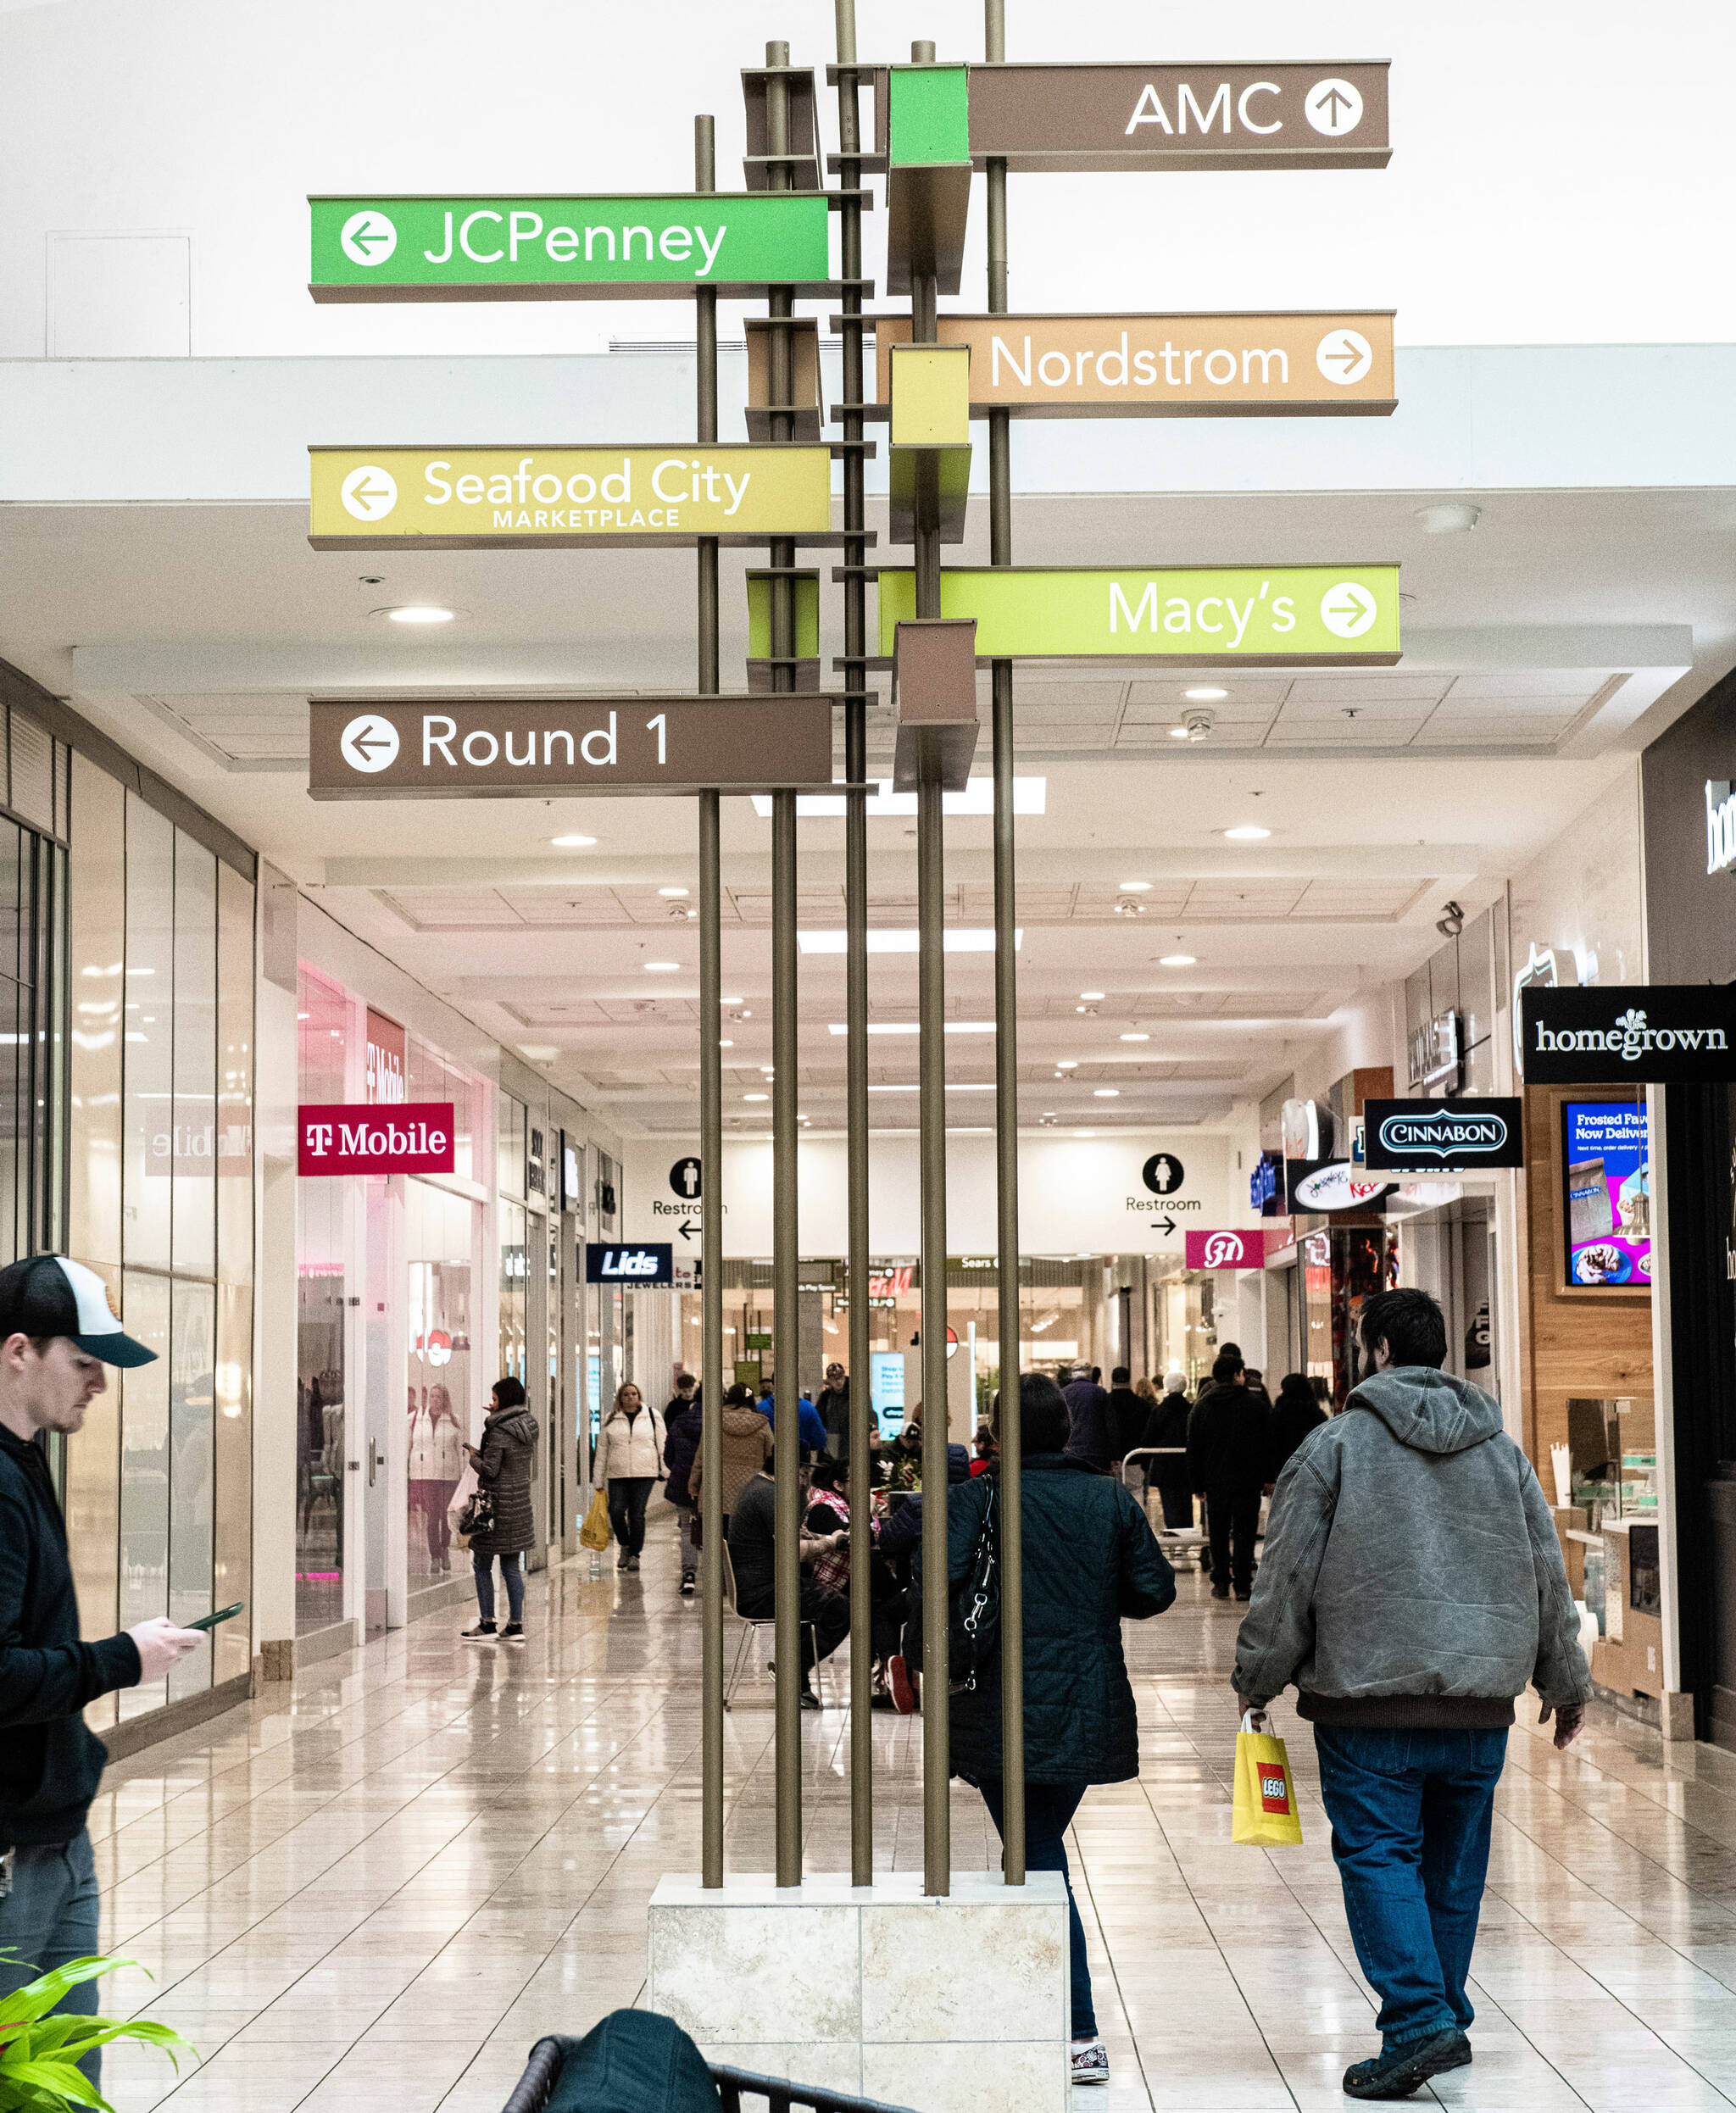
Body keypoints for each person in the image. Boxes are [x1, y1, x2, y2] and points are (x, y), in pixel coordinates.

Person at [1234, 1287, 1589, 2102]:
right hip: (1478, 1704)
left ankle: (1420, 2019)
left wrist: (1258, 1679)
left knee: (1377, 1851)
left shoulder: (1334, 1447)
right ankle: (1439, 2013)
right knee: (1454, 1866)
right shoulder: (1502, 1451)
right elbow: (1546, 1569)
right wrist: (1566, 1681)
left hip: (1367, 1702)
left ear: (1379, 1351)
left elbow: (1286, 1574)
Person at [0, 1255, 206, 2088]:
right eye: (83, 1364)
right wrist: (122, 1659)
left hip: (56, 1831)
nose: (98, 1385)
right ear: (19, 1351)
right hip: (14, 1850)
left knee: (68, 2084)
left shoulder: (26, 1458)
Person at [948, 1373, 1175, 2089]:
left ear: (996, 1432)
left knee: (1039, 1855)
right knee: (1037, 1846)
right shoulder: (1108, 1497)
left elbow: (940, 1577)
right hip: (1084, 1700)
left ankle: (1080, 2030)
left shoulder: (977, 1496)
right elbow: (1156, 1589)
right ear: (1065, 1431)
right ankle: (1040, 2008)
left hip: (996, 1705)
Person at [726, 1465, 848, 1708]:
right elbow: (792, 1550)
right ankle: (791, 1669)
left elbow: (796, 1536)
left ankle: (795, 1678)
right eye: (802, 1475)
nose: (804, 1483)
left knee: (823, 1597)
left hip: (758, 1586)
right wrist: (831, 1544)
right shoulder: (768, 1496)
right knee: (842, 1610)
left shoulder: (759, 1488)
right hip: (762, 1593)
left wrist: (825, 1539)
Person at [1187, 1352, 1269, 1599]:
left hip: (1215, 1481)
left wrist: (1197, 1483)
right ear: (1237, 1375)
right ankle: (1243, 1584)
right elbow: (1266, 1445)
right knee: (1245, 1533)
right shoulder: (1255, 1405)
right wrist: (1267, 1477)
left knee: (1219, 1533)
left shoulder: (1202, 1406)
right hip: (1247, 1481)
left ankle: (1221, 1582)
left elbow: (1194, 1447)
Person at [461, 1376, 537, 1638]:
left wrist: (473, 1456)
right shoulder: (526, 1427)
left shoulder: (500, 1430)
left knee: (481, 1563)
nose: (490, 1404)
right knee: (511, 1567)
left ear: (504, 1401)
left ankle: (487, 1623)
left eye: (494, 1400)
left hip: (495, 1506)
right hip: (519, 1504)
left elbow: (491, 1470)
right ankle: (516, 1624)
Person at [594, 1381, 665, 1574]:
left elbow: (662, 1443)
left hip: (645, 1473)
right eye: (626, 1394)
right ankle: (625, 1545)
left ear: (639, 1396)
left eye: (634, 1394)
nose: (630, 1397)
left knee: (636, 1514)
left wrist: (665, 1469)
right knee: (616, 1511)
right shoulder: (611, 1419)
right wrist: (598, 1479)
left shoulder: (651, 1415)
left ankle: (635, 1555)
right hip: (618, 1474)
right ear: (620, 1398)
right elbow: (602, 1451)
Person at [687, 1380, 773, 1536]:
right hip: (749, 1493)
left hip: (716, 1490)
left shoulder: (714, 1422)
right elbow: (771, 1457)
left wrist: (693, 1486)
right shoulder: (762, 1424)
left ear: (728, 1397)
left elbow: (701, 1458)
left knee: (717, 1544)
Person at [408, 1379, 465, 1575]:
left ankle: (445, 1548)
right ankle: (435, 1556)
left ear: (445, 1399)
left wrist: (462, 1476)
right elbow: (410, 1446)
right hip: (426, 1475)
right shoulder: (416, 1419)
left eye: (438, 1397)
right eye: (432, 1396)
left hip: (448, 1475)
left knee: (446, 1515)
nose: (434, 1400)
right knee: (432, 1515)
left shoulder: (454, 1420)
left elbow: (460, 1450)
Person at [662, 1380, 702, 1596]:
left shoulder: (679, 1421)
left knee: (687, 1528)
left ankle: (688, 1575)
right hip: (712, 1486)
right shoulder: (720, 1423)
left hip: (684, 1483)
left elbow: (668, 1456)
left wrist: (680, 1470)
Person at [1143, 1372, 1194, 1531]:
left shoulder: (1159, 1411)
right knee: (1186, 1502)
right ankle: (1187, 1534)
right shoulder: (1191, 1410)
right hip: (1187, 1464)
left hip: (1165, 1466)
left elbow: (1148, 1439)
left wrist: (1146, 1463)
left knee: (1170, 1504)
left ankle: (1174, 1537)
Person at [1268, 1370, 1327, 1481]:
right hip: (1310, 1470)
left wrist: (1270, 1476)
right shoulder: (1317, 1415)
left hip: (1284, 1468)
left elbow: (1272, 1445)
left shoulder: (1278, 1414)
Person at [1063, 1363, 1112, 1471]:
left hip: (1071, 1452)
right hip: (1097, 1452)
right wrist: (1114, 1455)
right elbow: (1109, 1424)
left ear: (1072, 1375)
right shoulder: (1100, 1392)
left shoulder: (1064, 1393)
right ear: (1090, 1374)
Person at [757, 1382, 827, 1457]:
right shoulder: (808, 1408)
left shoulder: (760, 1408)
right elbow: (819, 1441)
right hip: (800, 1461)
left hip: (768, 1462)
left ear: (774, 1385)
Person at [1104, 1365, 1147, 1471]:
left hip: (1111, 1461)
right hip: (1135, 1457)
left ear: (1112, 1381)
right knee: (1136, 1488)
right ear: (1129, 1380)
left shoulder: (1104, 1402)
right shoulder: (1142, 1405)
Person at [815, 1361, 851, 1457]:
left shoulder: (856, 1393)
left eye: (840, 1378)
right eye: (834, 1379)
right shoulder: (825, 1396)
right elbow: (818, 1419)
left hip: (850, 1440)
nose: (838, 1381)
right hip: (830, 1441)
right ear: (829, 1380)